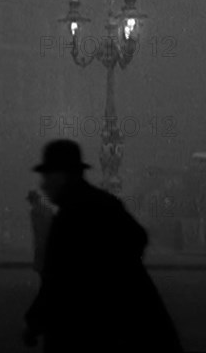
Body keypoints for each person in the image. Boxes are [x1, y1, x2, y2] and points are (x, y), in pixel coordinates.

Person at [23, 139, 183, 353]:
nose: (44, 184)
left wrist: (35, 323)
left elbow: (57, 282)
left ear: (61, 176)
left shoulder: (70, 217)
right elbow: (138, 237)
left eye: (47, 176)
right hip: (129, 324)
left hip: (91, 331)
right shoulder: (104, 203)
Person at [26, 190, 52, 272]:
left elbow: (37, 227)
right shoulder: (47, 209)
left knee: (40, 264)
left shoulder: (34, 212)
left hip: (41, 239)